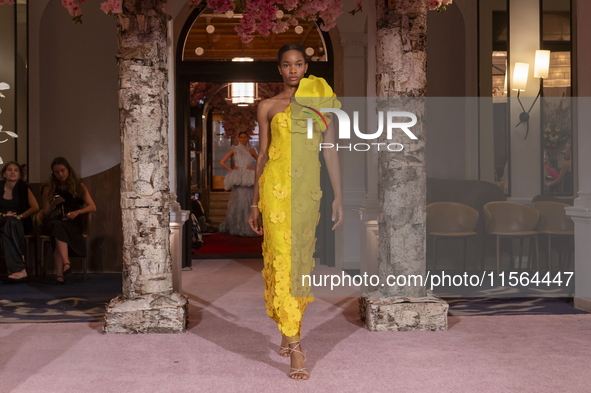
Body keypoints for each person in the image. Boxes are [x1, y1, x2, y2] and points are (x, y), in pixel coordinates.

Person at [249, 44, 343, 380]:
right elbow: (263, 156)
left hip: (308, 193)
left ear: (306, 66)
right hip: (275, 191)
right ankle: (296, 345)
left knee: (300, 262)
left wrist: (338, 196)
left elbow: (329, 149)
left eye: (299, 64)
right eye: (286, 65)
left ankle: (290, 330)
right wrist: (255, 201)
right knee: (281, 259)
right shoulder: (267, 107)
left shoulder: (319, 102)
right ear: (279, 69)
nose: (293, 70)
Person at [42, 157, 96, 284]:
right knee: (56, 226)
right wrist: (54, 204)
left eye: (62, 170)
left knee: (58, 233)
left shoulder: (79, 186)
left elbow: (93, 206)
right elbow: (45, 211)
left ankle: (60, 274)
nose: (60, 174)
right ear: (53, 173)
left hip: (71, 221)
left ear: (68, 169)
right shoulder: (48, 187)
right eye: (57, 172)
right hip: (54, 219)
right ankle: (66, 263)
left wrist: (78, 212)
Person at [0, 162, 39, 281]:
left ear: (19, 174)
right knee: (8, 222)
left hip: (19, 222)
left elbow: (35, 207)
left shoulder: (24, 187)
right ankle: (20, 266)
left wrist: (20, 216)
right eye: (9, 170)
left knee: (5, 232)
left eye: (16, 170)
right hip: (0, 220)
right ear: (4, 174)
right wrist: (3, 215)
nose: (12, 172)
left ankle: (18, 268)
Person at [218, 131, 260, 237]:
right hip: (239, 177)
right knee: (239, 201)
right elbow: (222, 162)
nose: (243, 139)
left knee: (249, 200)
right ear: (238, 138)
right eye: (241, 137)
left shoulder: (251, 150)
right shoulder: (235, 149)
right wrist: (231, 170)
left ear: (247, 138)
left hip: (248, 176)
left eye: (245, 137)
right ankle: (238, 227)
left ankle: (250, 227)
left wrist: (254, 168)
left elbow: (261, 161)